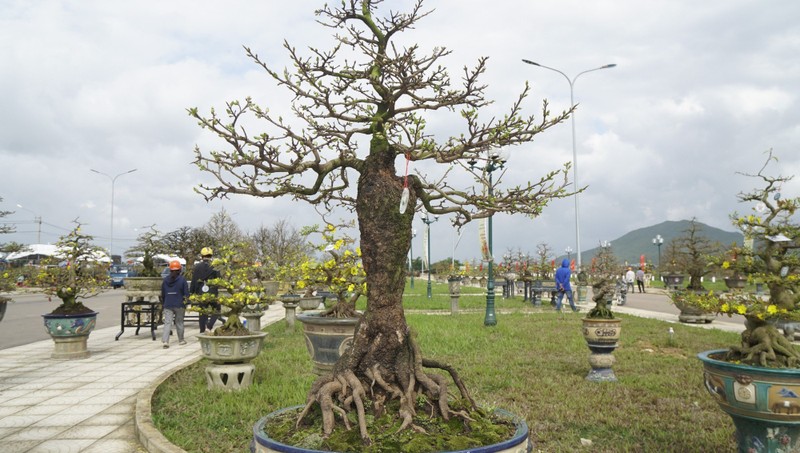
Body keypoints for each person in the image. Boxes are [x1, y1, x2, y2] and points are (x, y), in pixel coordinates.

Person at [190, 247, 220, 333]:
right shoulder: (215, 266)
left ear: (202, 256)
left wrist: (192, 293)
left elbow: (194, 280)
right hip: (212, 292)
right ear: (211, 255)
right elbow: (219, 280)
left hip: (201, 292)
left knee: (202, 312)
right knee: (217, 310)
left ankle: (202, 330)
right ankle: (209, 326)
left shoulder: (197, 267)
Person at [161, 260, 189, 348]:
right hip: (179, 304)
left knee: (167, 323)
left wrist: (164, 302)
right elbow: (186, 293)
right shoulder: (182, 280)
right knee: (179, 322)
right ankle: (181, 340)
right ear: (180, 270)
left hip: (168, 304)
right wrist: (187, 302)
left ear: (170, 270)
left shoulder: (165, 280)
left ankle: (165, 341)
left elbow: (163, 293)